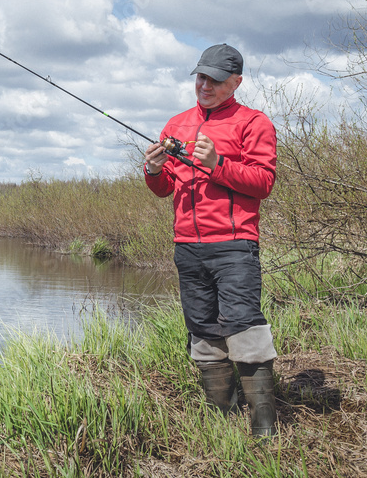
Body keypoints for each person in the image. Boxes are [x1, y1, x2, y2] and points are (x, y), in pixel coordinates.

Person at [143, 43, 278, 437]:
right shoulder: (176, 124)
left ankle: (263, 431)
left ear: (235, 82)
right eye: (200, 77)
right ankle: (222, 420)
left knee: (244, 327)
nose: (204, 85)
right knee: (202, 329)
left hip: (235, 246)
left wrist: (218, 165)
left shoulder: (253, 123)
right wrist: (153, 171)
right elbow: (164, 188)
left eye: (215, 80)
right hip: (186, 247)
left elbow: (263, 182)